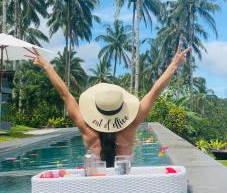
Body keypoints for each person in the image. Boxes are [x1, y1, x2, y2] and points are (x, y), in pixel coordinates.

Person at [26, 45, 191, 167]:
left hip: (94, 188)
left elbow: (65, 94)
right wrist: (175, 65)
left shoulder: (86, 126)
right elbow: (154, 92)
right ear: (121, 107)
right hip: (125, 188)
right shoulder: (131, 124)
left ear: (96, 109)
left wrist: (47, 66)